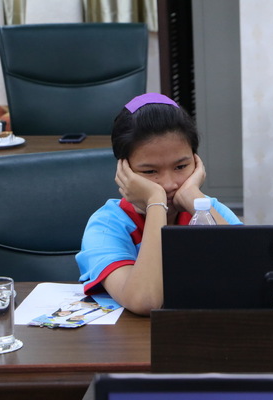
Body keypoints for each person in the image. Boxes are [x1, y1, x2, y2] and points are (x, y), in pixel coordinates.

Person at [76, 93, 242, 315]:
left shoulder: (209, 209)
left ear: (196, 161)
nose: (169, 184)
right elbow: (145, 301)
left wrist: (195, 198)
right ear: (124, 170)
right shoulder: (107, 225)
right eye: (150, 171)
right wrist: (155, 202)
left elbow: (251, 277)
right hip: (135, 337)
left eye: (181, 167)